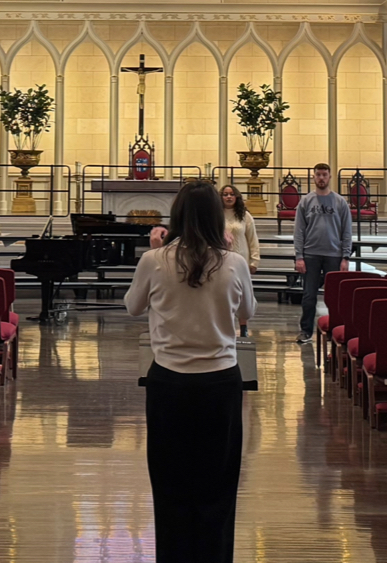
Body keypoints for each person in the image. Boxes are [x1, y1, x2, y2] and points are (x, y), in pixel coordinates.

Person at [123, 180, 255, 563]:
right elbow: (248, 312)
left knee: (170, 486)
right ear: (218, 217)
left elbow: (133, 306)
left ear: (176, 215)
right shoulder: (234, 263)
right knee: (218, 487)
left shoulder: (155, 261)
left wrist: (154, 252)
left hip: (170, 383)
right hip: (220, 383)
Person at [292, 163, 349, 343]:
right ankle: (306, 331)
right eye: (318, 175)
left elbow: (346, 231)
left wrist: (345, 257)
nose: (321, 178)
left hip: (334, 254)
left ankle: (335, 330)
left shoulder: (340, 202)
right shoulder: (306, 201)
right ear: (314, 177)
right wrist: (299, 257)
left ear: (330, 176)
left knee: (334, 297)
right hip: (311, 255)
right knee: (309, 295)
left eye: (325, 174)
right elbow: (299, 231)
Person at [219, 184, 260, 273]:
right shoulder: (216, 215)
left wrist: (254, 261)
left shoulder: (245, 215)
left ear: (236, 197)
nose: (229, 197)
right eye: (225, 195)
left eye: (232, 194)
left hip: (241, 258)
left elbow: (253, 239)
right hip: (221, 260)